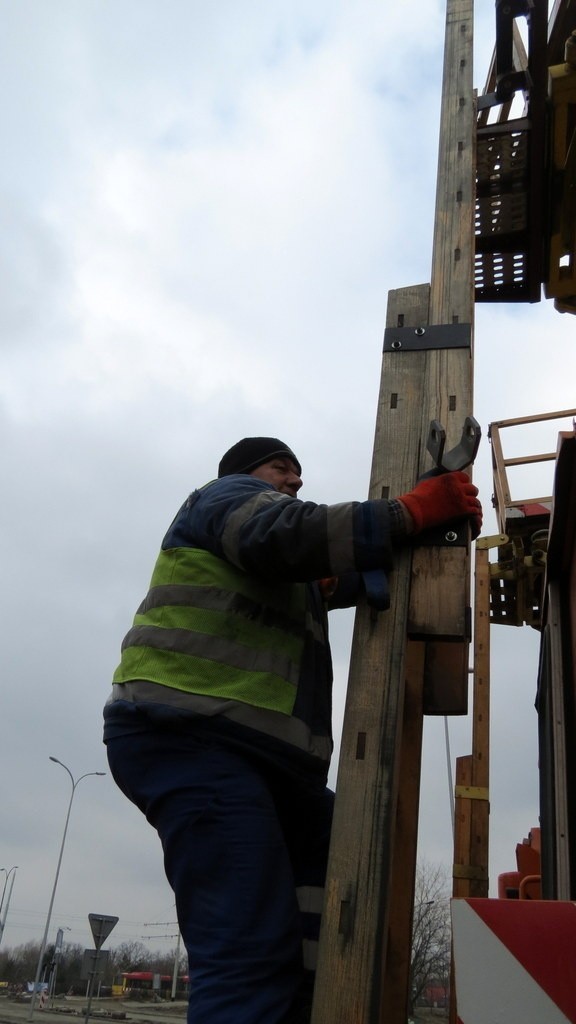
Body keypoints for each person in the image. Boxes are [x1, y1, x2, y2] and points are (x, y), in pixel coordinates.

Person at [104, 436, 481, 1024]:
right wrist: (412, 510)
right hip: (191, 741)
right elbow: (289, 536)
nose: (296, 479)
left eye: (300, 472)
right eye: (283, 467)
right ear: (246, 472)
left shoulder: (285, 578)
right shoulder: (224, 498)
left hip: (258, 762)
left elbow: (334, 572)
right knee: (247, 951)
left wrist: (428, 530)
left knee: (328, 907)